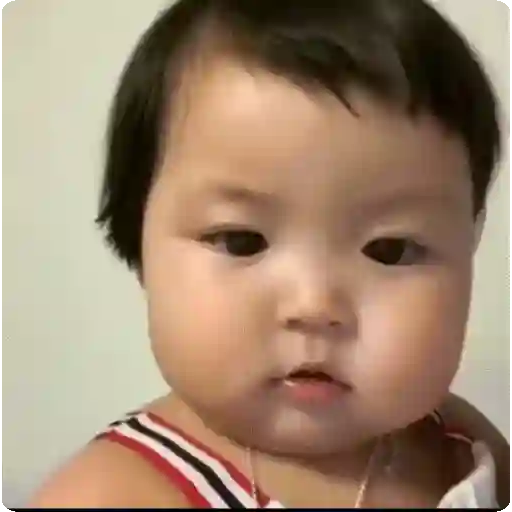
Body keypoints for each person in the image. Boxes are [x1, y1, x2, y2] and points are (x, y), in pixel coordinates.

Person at [32, 0, 510, 508]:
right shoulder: (109, 495)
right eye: (242, 240)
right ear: (138, 237)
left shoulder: (460, 444)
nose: (313, 306)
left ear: (470, 240)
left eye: (389, 250)